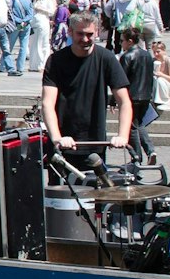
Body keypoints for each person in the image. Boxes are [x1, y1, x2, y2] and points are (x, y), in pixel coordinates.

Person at [41, 12, 131, 169]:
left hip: (95, 142)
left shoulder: (106, 58)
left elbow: (124, 102)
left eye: (89, 34)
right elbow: (47, 103)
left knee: (96, 190)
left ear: (96, 32)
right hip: (62, 143)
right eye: (79, 34)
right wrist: (57, 137)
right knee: (60, 192)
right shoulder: (56, 60)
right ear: (70, 32)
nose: (84, 39)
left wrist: (122, 136)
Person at [118, 26, 158, 163]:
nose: (120, 43)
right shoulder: (147, 55)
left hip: (132, 96)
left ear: (129, 41)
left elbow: (121, 80)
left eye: (122, 40)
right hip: (145, 95)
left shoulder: (127, 56)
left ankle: (136, 157)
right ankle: (150, 150)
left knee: (130, 126)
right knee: (139, 124)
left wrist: (113, 100)